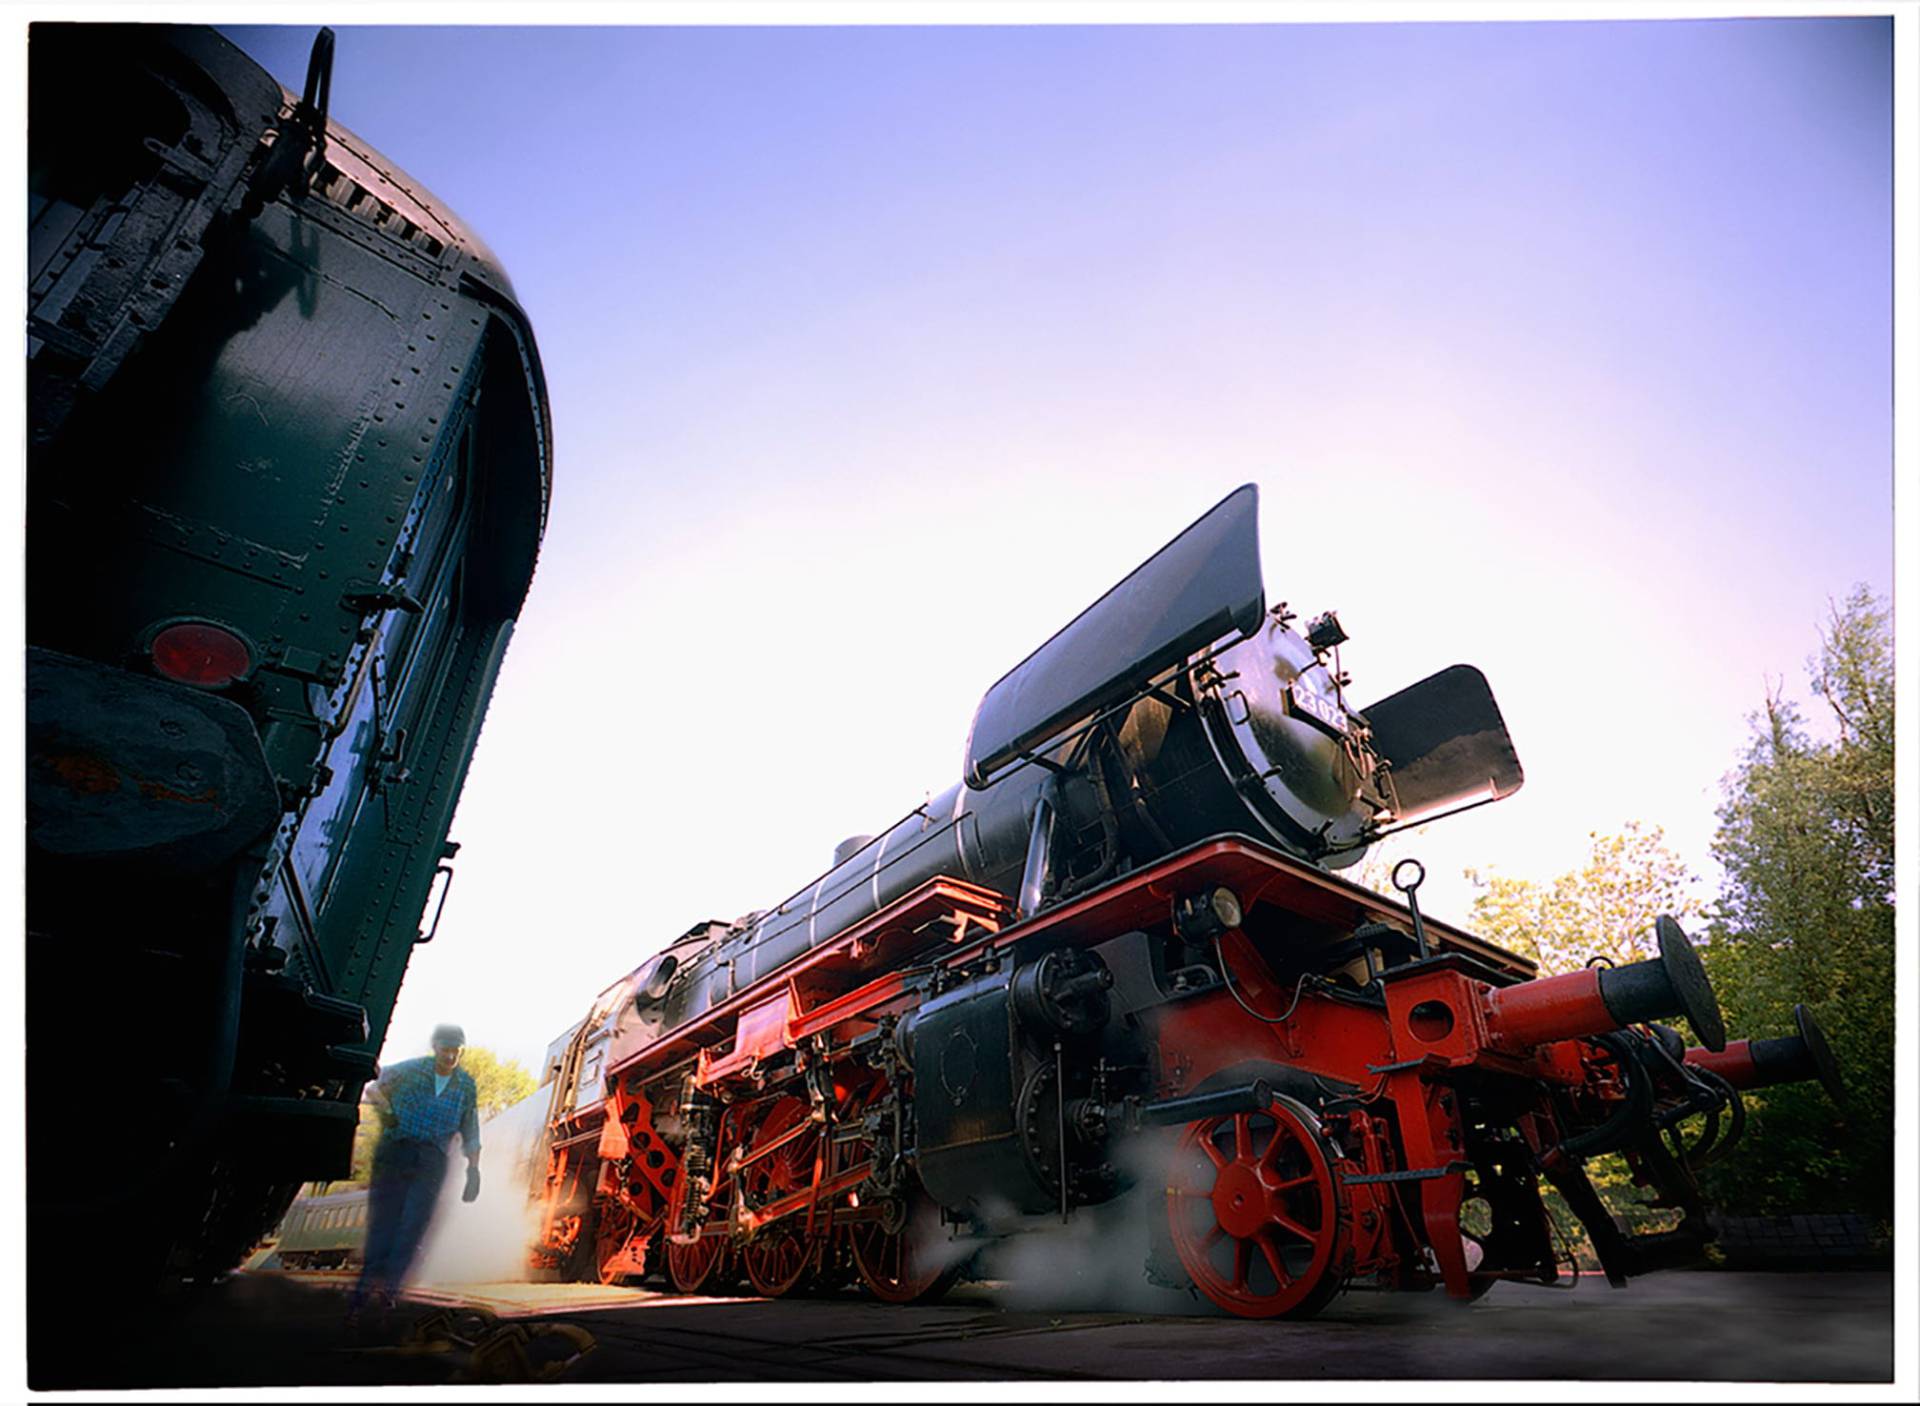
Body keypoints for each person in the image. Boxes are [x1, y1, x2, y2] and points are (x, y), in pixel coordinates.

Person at [349, 1023, 482, 1317]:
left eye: (456, 1051)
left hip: (433, 1157)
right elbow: (373, 1086)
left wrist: (473, 1169)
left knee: (414, 1225)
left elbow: (470, 1127)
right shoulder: (410, 1070)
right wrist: (387, 1112)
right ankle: (362, 1295)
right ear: (435, 1047)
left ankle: (389, 1291)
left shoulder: (465, 1085)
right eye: (446, 1049)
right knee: (385, 1221)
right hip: (397, 1149)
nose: (451, 1056)